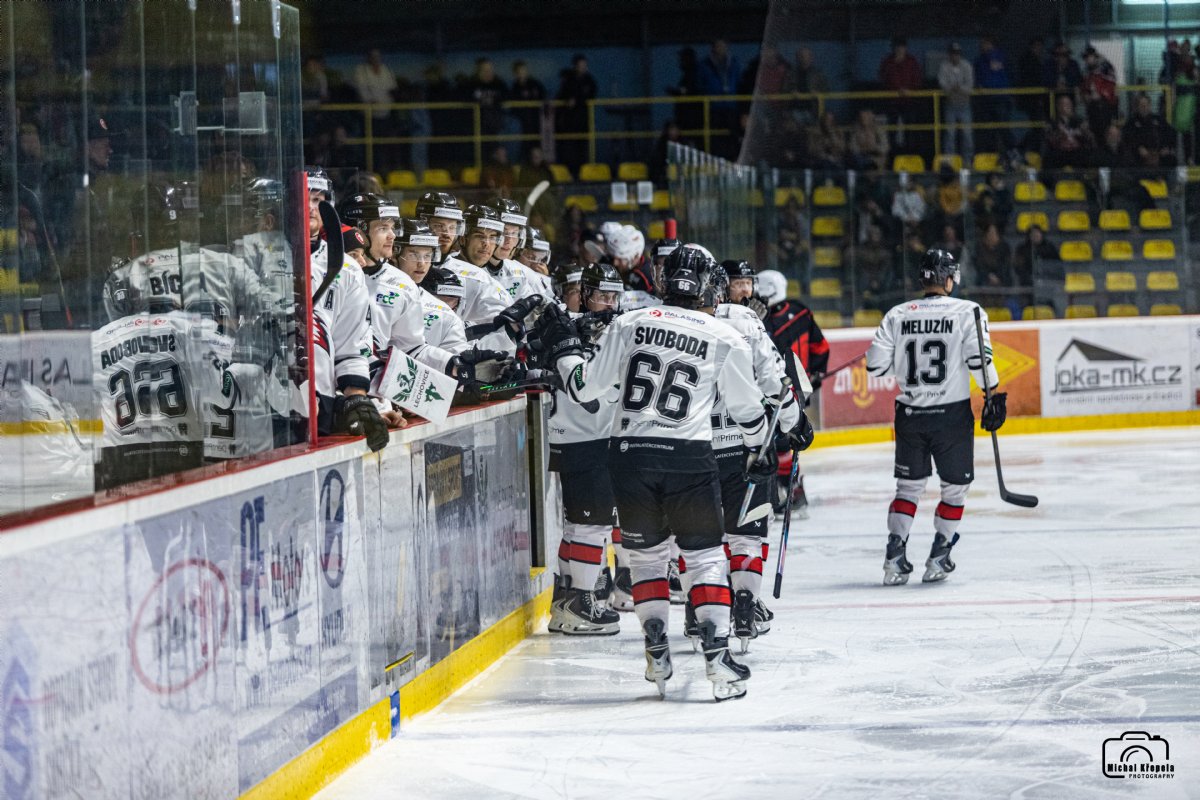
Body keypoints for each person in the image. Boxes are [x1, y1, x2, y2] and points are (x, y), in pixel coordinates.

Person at [532, 244, 772, 701]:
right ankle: (717, 657)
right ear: (707, 287)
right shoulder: (724, 336)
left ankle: (655, 646)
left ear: (664, 281)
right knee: (704, 557)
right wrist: (761, 447)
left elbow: (584, 386)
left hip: (629, 455)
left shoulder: (628, 323)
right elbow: (748, 413)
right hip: (688, 456)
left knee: (646, 557)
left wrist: (565, 349)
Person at [866, 249, 1003, 586]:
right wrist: (992, 395)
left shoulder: (897, 314)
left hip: (910, 415)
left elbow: (875, 367)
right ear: (949, 279)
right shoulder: (969, 311)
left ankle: (894, 555)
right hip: (951, 416)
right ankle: (940, 554)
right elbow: (979, 361)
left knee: (908, 487)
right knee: (955, 488)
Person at [714, 261, 809, 650]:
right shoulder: (746, 322)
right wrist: (794, 421)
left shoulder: (686, 319)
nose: (745, 290)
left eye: (748, 283)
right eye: (737, 283)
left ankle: (701, 609)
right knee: (747, 533)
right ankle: (745, 604)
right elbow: (773, 378)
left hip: (697, 443)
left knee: (703, 537)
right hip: (746, 442)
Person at [546, 262, 626, 634]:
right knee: (592, 527)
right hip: (583, 439)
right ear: (585, 295)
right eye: (602, 296)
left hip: (590, 438)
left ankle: (566, 600)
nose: (609, 303)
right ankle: (581, 603)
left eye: (613, 296)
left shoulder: (619, 329)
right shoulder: (564, 328)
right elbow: (581, 388)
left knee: (579, 526)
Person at [755, 268, 830, 516]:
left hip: (778, 391)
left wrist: (815, 373)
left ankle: (788, 489)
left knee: (779, 442)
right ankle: (790, 490)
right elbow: (821, 348)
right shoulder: (800, 311)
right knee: (784, 441)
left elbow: (818, 347)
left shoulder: (763, 321)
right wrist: (817, 372)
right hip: (793, 390)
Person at [697, 39, 742, 159]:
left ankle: (734, 158)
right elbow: (700, 85)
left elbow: (738, 82)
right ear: (713, 48)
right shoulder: (704, 64)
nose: (721, 49)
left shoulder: (734, 62)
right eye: (718, 46)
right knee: (715, 136)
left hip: (731, 105)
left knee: (732, 134)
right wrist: (710, 95)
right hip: (713, 107)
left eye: (723, 46)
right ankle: (716, 158)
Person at [878, 36, 923, 150]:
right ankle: (892, 155)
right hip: (892, 101)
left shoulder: (912, 61)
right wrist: (895, 90)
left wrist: (910, 90)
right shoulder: (887, 61)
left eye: (901, 47)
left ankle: (910, 154)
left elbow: (917, 79)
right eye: (897, 47)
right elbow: (882, 78)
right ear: (893, 48)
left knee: (910, 130)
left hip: (909, 100)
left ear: (905, 48)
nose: (899, 49)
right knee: (891, 130)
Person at [555, 54, 597, 170]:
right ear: (575, 66)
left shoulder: (589, 80)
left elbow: (592, 95)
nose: (583, 67)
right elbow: (561, 95)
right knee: (569, 148)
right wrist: (567, 100)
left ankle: (582, 171)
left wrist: (577, 100)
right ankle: (570, 171)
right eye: (580, 65)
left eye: (585, 65)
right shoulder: (568, 80)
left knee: (582, 147)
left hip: (583, 120)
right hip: (569, 121)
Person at [974, 35, 1014, 154]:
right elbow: (978, 77)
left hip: (1000, 98)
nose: (982, 46)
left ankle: (1012, 152)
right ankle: (992, 153)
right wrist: (979, 85)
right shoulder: (980, 60)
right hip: (986, 99)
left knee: (1003, 127)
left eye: (984, 43)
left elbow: (1009, 74)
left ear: (990, 43)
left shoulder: (1001, 56)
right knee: (988, 129)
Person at [938, 43, 974, 159]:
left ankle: (967, 161)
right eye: (953, 53)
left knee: (967, 134)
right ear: (949, 54)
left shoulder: (966, 65)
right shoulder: (944, 66)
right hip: (950, 104)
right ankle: (950, 161)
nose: (955, 56)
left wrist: (959, 88)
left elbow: (970, 85)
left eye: (957, 53)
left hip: (964, 104)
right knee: (950, 134)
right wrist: (952, 88)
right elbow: (942, 84)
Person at [1124, 93, 1177, 168]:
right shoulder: (1131, 123)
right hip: (1140, 155)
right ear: (1137, 107)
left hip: (1158, 153)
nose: (1144, 107)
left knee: (1171, 160)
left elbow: (1171, 133)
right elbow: (1127, 138)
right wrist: (1138, 148)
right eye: (1142, 105)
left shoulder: (1158, 120)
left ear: (1150, 105)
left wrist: (1167, 147)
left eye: (1146, 105)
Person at [1042, 93, 1094, 169]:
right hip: (1059, 153)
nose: (1069, 106)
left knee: (1087, 156)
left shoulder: (1079, 121)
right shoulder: (1052, 123)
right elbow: (1049, 139)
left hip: (1077, 152)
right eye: (1065, 104)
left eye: (1069, 104)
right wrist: (1061, 134)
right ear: (1058, 107)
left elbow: (1090, 139)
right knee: (1050, 159)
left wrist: (1085, 132)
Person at [1080, 45, 1118, 145]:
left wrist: (1101, 94)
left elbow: (1112, 86)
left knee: (1105, 134)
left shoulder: (1106, 67)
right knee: (1093, 135)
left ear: (1095, 56)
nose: (1087, 60)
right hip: (1092, 108)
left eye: (1089, 57)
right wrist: (1085, 95)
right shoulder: (1086, 71)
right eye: (1086, 58)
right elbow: (1084, 88)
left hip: (1105, 108)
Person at [509, 60, 545, 158]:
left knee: (537, 141)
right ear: (515, 73)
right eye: (519, 71)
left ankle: (539, 161)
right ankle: (526, 160)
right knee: (526, 142)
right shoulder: (515, 87)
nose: (521, 73)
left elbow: (544, 97)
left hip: (536, 119)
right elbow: (513, 106)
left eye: (523, 70)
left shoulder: (535, 84)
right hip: (523, 121)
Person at [467, 58, 508, 141]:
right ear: (478, 72)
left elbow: (506, 97)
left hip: (496, 122)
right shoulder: (471, 85)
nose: (488, 73)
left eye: (490, 70)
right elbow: (467, 100)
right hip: (476, 123)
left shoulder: (499, 84)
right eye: (485, 70)